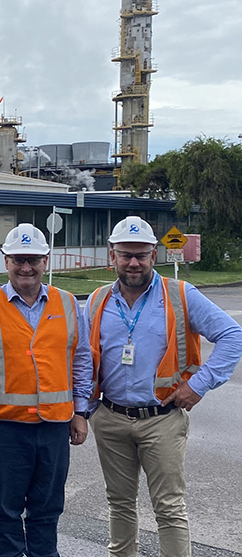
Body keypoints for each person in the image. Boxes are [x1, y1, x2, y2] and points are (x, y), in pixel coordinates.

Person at [85, 216, 242, 557]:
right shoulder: (97, 301)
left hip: (162, 418)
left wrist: (198, 386)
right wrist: (83, 409)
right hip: (110, 417)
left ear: (154, 255)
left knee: (168, 508)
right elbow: (83, 359)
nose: (133, 263)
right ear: (112, 255)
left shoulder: (180, 295)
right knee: (120, 504)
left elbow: (232, 336)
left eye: (141, 255)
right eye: (126, 254)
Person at [0, 222, 93, 557]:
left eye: (33, 259)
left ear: (46, 260)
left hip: (54, 427)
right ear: (6, 261)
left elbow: (82, 361)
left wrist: (80, 413)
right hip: (5, 429)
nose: (26, 267)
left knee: (47, 510)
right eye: (19, 259)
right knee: (5, 511)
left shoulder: (69, 305)